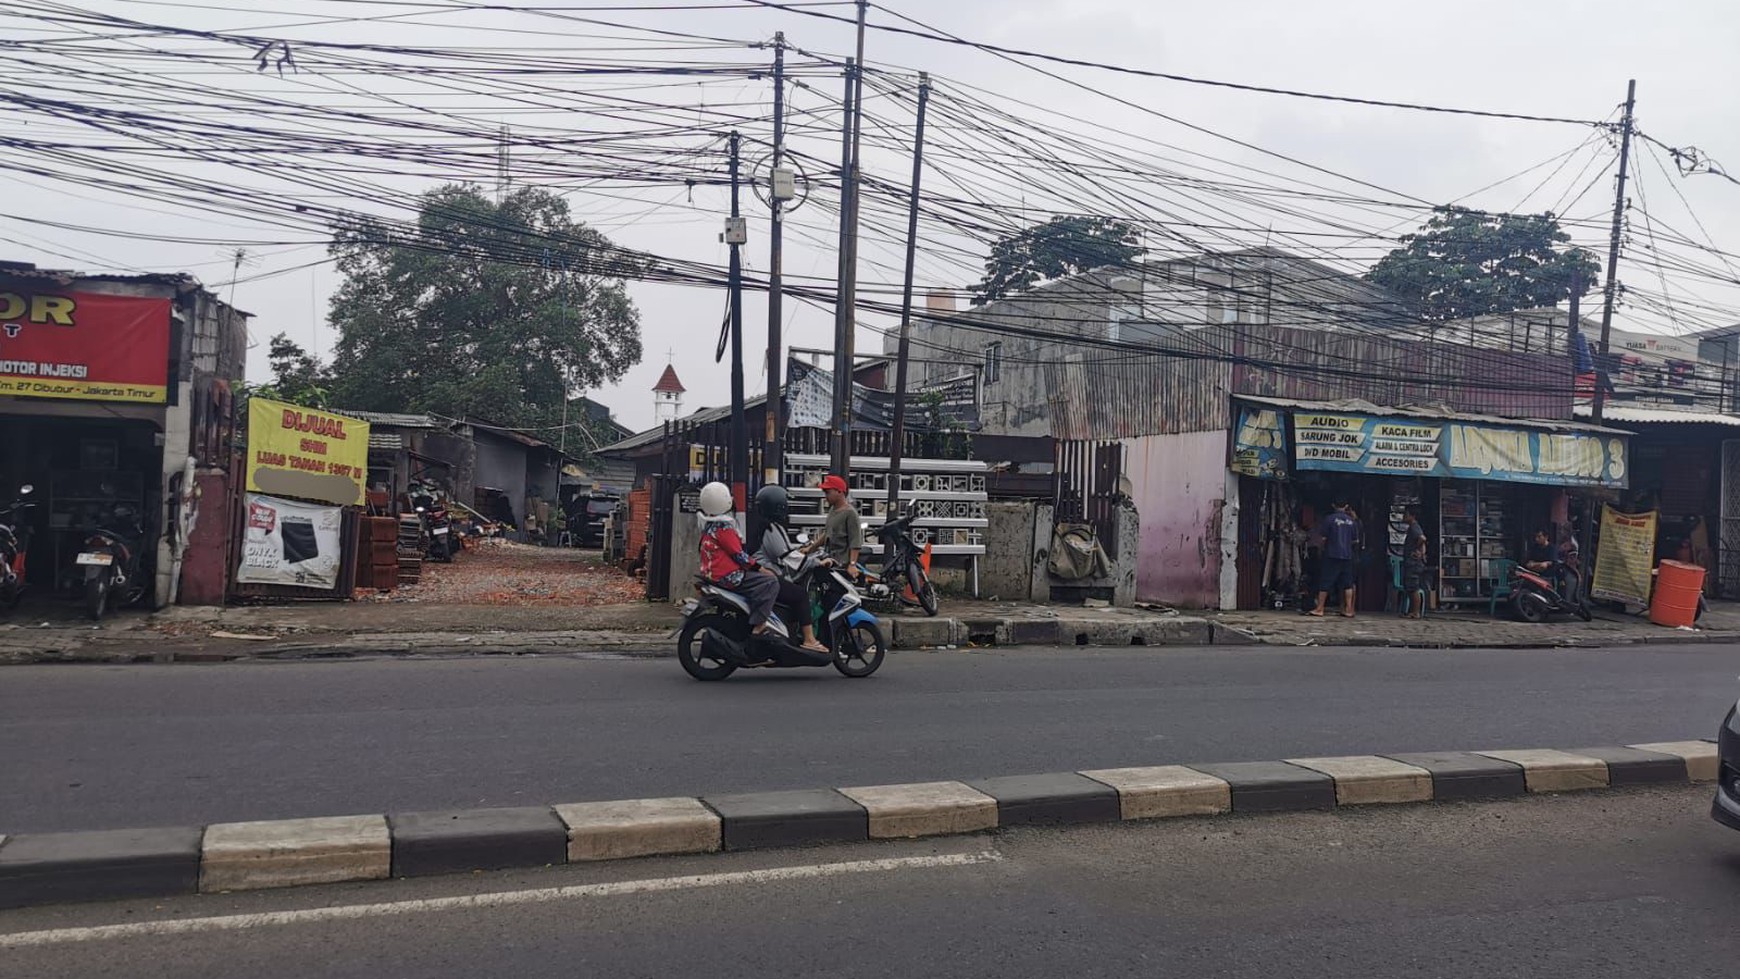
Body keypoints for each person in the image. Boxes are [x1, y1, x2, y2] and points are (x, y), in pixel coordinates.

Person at [696, 482, 782, 654]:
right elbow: (739, 555)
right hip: (729, 576)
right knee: (771, 582)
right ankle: (759, 625)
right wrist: (760, 568)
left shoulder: (708, 524)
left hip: (712, 574)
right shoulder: (724, 527)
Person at [751, 485, 828, 653]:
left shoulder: (761, 525)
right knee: (800, 595)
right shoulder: (771, 528)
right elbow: (787, 556)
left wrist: (802, 552)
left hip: (759, 574)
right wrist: (816, 563)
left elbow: (784, 551)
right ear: (778, 506)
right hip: (766, 576)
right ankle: (809, 639)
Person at [1307, 500, 1361, 618]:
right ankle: (1348, 610)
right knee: (1348, 583)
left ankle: (1320, 608)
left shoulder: (1329, 519)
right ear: (1346, 505)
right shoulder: (1352, 521)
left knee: (1325, 582)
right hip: (1347, 556)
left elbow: (1323, 538)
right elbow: (1355, 541)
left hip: (1332, 555)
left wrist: (1321, 549)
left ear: (1333, 505)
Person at [817, 474, 863, 580]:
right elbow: (827, 533)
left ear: (839, 491)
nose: (826, 496)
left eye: (828, 492)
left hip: (842, 564)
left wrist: (852, 564)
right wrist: (810, 549)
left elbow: (855, 541)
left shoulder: (850, 513)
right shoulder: (832, 510)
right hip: (830, 559)